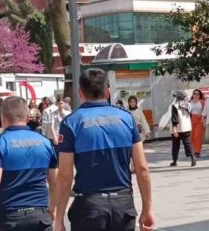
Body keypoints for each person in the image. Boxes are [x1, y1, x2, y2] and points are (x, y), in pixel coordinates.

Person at [54, 68, 155, 231]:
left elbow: (65, 176)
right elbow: (142, 168)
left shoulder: (71, 123)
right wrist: (147, 209)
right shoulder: (127, 118)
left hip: (89, 205)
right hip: (122, 204)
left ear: (80, 93)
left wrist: (59, 219)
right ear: (108, 92)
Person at [0, 96, 57, 231]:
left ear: (2, 118)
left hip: (8, 216)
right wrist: (53, 209)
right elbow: (54, 182)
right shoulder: (45, 142)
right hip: (39, 216)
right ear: (27, 117)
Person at [170, 90, 196, 167]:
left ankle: (174, 161)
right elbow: (190, 115)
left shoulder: (175, 105)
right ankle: (192, 157)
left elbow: (174, 118)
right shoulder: (188, 105)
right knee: (188, 143)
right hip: (187, 127)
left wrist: (174, 128)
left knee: (175, 145)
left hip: (178, 128)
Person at [189, 89, 205, 157]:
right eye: (194, 93)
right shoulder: (189, 102)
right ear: (192, 94)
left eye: (198, 94)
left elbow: (206, 111)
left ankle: (197, 152)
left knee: (197, 136)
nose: (196, 95)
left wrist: (202, 114)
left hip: (199, 120)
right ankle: (192, 151)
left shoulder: (202, 102)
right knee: (191, 136)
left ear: (199, 95)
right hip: (190, 120)